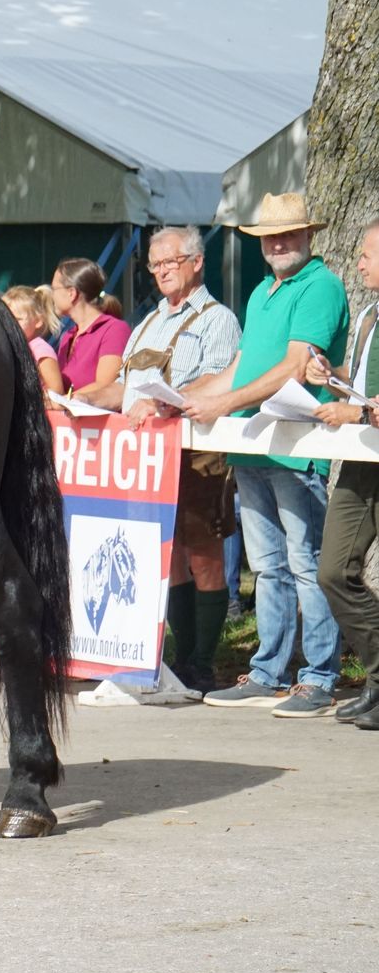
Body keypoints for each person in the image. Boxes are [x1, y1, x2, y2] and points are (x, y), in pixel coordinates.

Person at [185, 192, 351, 716]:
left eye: (288, 234)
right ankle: (268, 671)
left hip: (298, 446)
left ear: (309, 236)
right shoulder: (261, 292)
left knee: (304, 565)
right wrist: (188, 398)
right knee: (268, 567)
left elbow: (295, 368)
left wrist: (222, 403)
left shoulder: (320, 286)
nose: (278, 243)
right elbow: (240, 367)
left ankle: (319, 677)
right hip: (254, 444)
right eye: (270, 237)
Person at [87, 226, 243, 693]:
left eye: (170, 262)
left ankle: (202, 662)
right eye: (154, 265)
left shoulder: (218, 319)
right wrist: (78, 398)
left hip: (197, 454)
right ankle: (178, 658)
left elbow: (219, 380)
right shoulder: (147, 322)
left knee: (204, 558)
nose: (161, 272)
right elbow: (123, 388)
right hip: (149, 459)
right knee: (169, 557)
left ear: (197, 262)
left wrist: (164, 403)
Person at [309, 218, 379, 727]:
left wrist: (357, 411)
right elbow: (359, 391)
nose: (358, 263)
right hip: (363, 457)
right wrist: (329, 378)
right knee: (333, 571)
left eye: (367, 255)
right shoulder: (368, 317)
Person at [50, 257, 129, 399]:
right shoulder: (68, 336)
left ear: (71, 293)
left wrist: (61, 401)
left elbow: (106, 386)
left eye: (54, 289)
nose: (52, 295)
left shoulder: (114, 330)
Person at [1, 285, 66, 395]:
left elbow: (57, 395)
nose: (10, 324)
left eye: (17, 319)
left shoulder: (41, 350)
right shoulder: (8, 346)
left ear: (38, 321)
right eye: (5, 318)